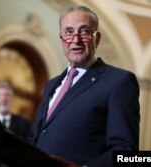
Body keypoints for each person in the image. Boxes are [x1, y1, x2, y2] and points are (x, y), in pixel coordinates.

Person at [29, 5, 140, 167]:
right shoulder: (51, 85)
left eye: (84, 31)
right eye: (68, 32)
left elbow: (126, 153)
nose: (76, 40)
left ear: (97, 38)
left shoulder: (119, 81)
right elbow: (34, 139)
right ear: (61, 39)